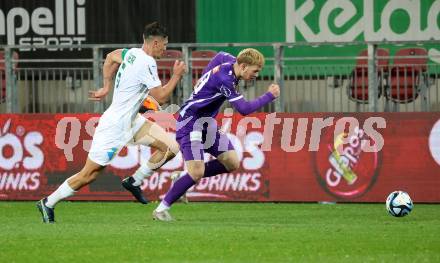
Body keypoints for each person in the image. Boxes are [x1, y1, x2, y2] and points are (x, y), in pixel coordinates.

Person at [36, 22, 186, 223]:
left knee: (170, 147)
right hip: (115, 126)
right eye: (165, 45)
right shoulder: (147, 62)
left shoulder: (131, 53)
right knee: (88, 175)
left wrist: (106, 86)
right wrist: (176, 76)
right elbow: (161, 96)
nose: (166, 49)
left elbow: (110, 57)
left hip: (132, 121)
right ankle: (48, 202)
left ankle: (135, 180)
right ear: (156, 42)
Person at [152, 48, 280, 221]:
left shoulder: (231, 61)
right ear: (242, 66)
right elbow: (243, 109)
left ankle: (183, 178)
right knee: (196, 172)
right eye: (255, 71)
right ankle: (161, 210)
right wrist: (269, 96)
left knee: (232, 162)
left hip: (207, 123)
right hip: (190, 123)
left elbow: (219, 55)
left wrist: (202, 82)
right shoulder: (225, 79)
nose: (256, 74)